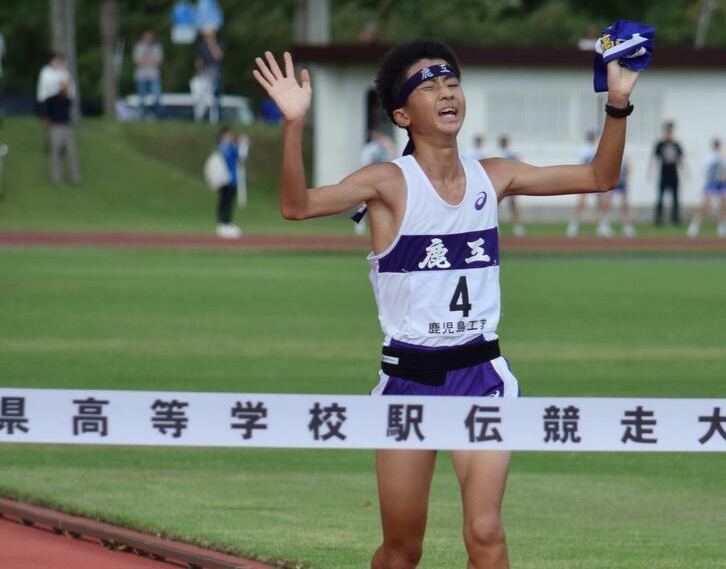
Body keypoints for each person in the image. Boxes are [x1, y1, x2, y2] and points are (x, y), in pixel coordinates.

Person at [252, 38, 640, 568]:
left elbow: (600, 177)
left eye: (452, 82)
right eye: (428, 87)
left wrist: (617, 101)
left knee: (485, 531)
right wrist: (293, 123)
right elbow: (295, 208)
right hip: (408, 380)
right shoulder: (387, 183)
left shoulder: (494, 175)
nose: (447, 92)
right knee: (402, 550)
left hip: (481, 374)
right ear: (401, 114)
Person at [566, 131, 609, 237]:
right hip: (586, 179)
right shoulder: (585, 149)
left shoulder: (597, 149)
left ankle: (602, 225)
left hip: (598, 179)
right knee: (582, 202)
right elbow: (584, 164)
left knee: (602, 202)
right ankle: (574, 225)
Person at [687, 139, 726, 238]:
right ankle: (694, 226)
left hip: (720, 184)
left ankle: (721, 226)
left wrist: (723, 177)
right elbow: (705, 170)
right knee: (704, 205)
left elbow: (725, 170)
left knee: (723, 205)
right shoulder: (709, 157)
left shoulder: (722, 157)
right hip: (710, 183)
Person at [648, 121, 686, 226]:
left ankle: (675, 219)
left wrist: (686, 172)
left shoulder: (676, 144)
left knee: (675, 198)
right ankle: (658, 219)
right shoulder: (660, 144)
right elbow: (654, 158)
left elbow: (680, 159)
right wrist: (650, 171)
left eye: (670, 130)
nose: (669, 132)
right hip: (664, 173)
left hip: (674, 173)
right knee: (660, 197)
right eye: (667, 130)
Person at [45, 79, 80, 186]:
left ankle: (75, 177)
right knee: (56, 153)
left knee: (71, 153)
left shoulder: (68, 101)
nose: (66, 89)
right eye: (64, 87)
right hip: (56, 128)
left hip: (67, 128)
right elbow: (46, 114)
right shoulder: (52, 100)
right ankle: (56, 178)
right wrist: (49, 122)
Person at [214, 127, 244, 238]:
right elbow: (240, 156)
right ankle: (226, 224)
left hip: (222, 179)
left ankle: (223, 224)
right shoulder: (228, 147)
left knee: (224, 201)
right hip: (229, 179)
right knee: (227, 202)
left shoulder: (218, 147)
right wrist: (241, 144)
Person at [494, 135, 526, 236]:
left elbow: (518, 162)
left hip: (510, 182)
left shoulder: (511, 152)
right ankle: (495, 227)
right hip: (499, 182)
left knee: (512, 205)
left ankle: (517, 226)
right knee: (495, 206)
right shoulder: (496, 153)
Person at [133, 29, 164, 119]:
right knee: (142, 98)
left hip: (154, 76)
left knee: (157, 96)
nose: (149, 38)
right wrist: (150, 62)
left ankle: (158, 115)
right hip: (141, 76)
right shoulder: (138, 46)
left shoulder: (157, 46)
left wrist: (145, 62)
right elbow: (137, 61)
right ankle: (142, 115)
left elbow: (158, 61)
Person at [197, 28, 224, 123]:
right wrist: (199, 72)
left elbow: (218, 56)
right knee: (203, 96)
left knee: (216, 96)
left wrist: (212, 45)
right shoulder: (202, 46)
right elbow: (200, 60)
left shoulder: (219, 44)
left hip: (215, 72)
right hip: (205, 73)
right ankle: (203, 116)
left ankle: (216, 118)